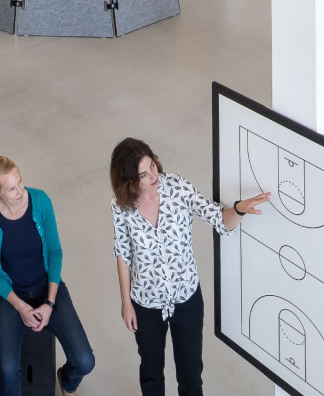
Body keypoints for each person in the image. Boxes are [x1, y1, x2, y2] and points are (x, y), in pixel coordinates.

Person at [108, 138, 270, 396]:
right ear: (128, 180)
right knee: (151, 373)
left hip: (186, 299)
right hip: (146, 302)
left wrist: (239, 210)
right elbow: (123, 253)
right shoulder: (120, 205)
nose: (153, 176)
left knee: (191, 376)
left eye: (152, 166)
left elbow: (218, 219)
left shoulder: (177, 188)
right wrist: (126, 302)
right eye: (143, 174)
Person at [0, 157, 96, 395]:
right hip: (8, 294)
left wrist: (49, 303)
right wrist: (20, 306)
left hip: (46, 287)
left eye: (20, 182)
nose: (20, 191)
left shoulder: (40, 201)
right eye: (11, 188)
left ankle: (67, 381)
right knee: (8, 369)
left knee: (85, 362)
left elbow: (55, 252)